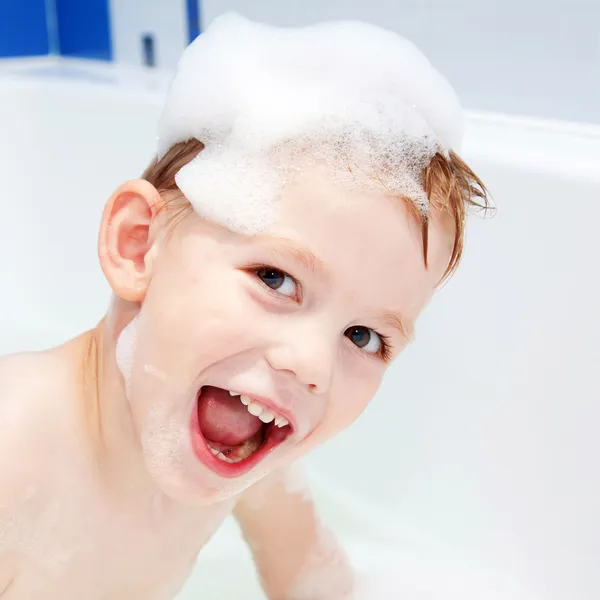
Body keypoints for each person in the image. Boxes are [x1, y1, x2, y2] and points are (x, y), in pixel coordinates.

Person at [0, 13, 488, 600]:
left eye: (362, 337)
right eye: (276, 279)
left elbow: (317, 582)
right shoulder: (15, 447)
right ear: (138, 246)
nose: (312, 366)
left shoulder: (243, 443)